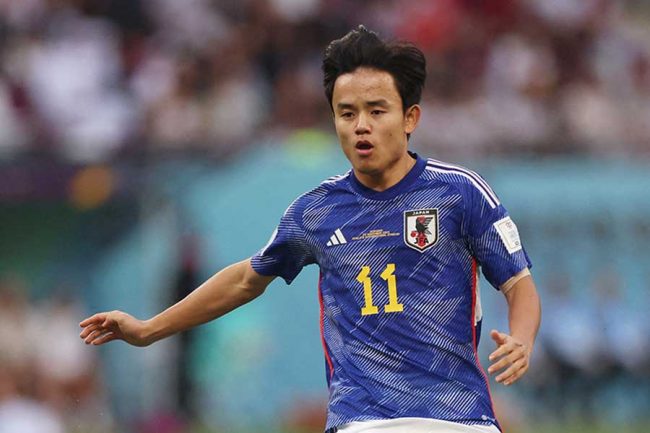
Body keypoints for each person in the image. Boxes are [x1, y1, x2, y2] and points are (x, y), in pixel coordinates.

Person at [80, 26, 541, 433]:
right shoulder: (315, 212)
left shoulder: (460, 192)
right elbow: (245, 280)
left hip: (458, 419)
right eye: (347, 113)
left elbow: (519, 284)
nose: (361, 126)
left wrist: (521, 339)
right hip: (363, 421)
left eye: (376, 111)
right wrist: (149, 329)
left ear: (410, 118)